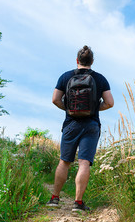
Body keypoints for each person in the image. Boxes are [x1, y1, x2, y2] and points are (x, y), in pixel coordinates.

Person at [47, 45, 114, 212]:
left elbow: (55, 99)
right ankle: (78, 203)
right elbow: (110, 103)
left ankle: (54, 199)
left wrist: (69, 109)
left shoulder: (66, 76)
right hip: (91, 125)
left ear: (77, 60)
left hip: (71, 124)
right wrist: (93, 109)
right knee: (84, 163)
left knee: (64, 162)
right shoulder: (100, 79)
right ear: (92, 61)